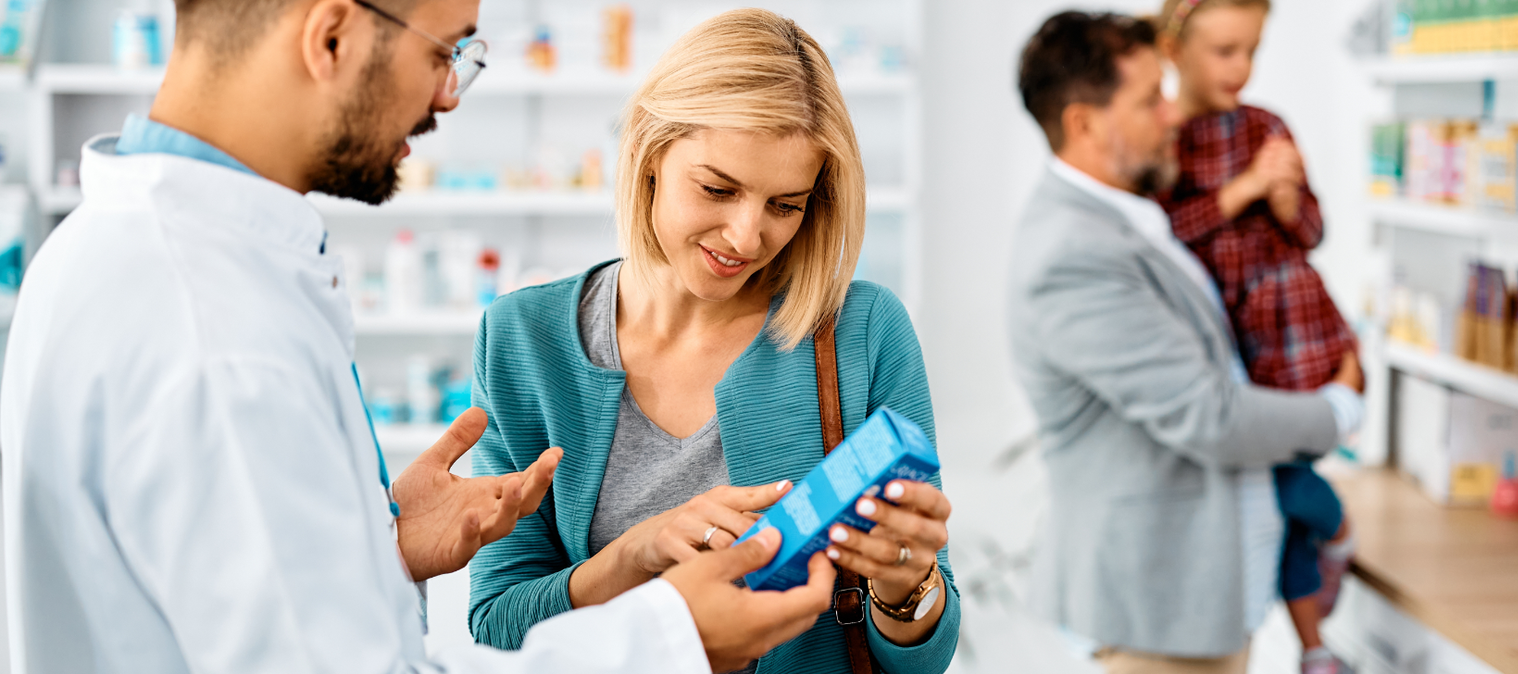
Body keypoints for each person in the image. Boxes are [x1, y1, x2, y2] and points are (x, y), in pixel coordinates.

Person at [0, 0, 838, 672]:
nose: (446, 96)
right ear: (330, 36)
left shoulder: (98, 249)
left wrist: (377, 546)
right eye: (444, 53)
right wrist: (666, 639)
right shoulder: (220, 339)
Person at [465, 9, 959, 674]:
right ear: (649, 151)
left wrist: (906, 586)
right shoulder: (523, 340)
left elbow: (922, 661)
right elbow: (497, 627)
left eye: (785, 205)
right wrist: (635, 558)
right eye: (717, 189)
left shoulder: (860, 332)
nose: (747, 237)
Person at [1007, 11, 1365, 674]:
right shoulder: (1073, 254)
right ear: (1085, 123)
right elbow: (1212, 415)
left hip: (1197, 610)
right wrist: (1340, 408)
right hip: (1157, 619)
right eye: (1151, 99)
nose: (1175, 114)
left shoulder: (1127, 218)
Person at [1156, 2, 1358, 672]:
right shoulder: (1164, 141)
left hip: (1296, 336)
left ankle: (1314, 647)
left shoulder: (1268, 126)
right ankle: (1326, 596)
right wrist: (1241, 192)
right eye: (1224, 51)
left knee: (1284, 487)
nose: (1240, 68)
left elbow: (1313, 232)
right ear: (1173, 46)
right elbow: (1161, 243)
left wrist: (1286, 201)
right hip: (1234, 356)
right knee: (1285, 500)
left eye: (1251, 51)